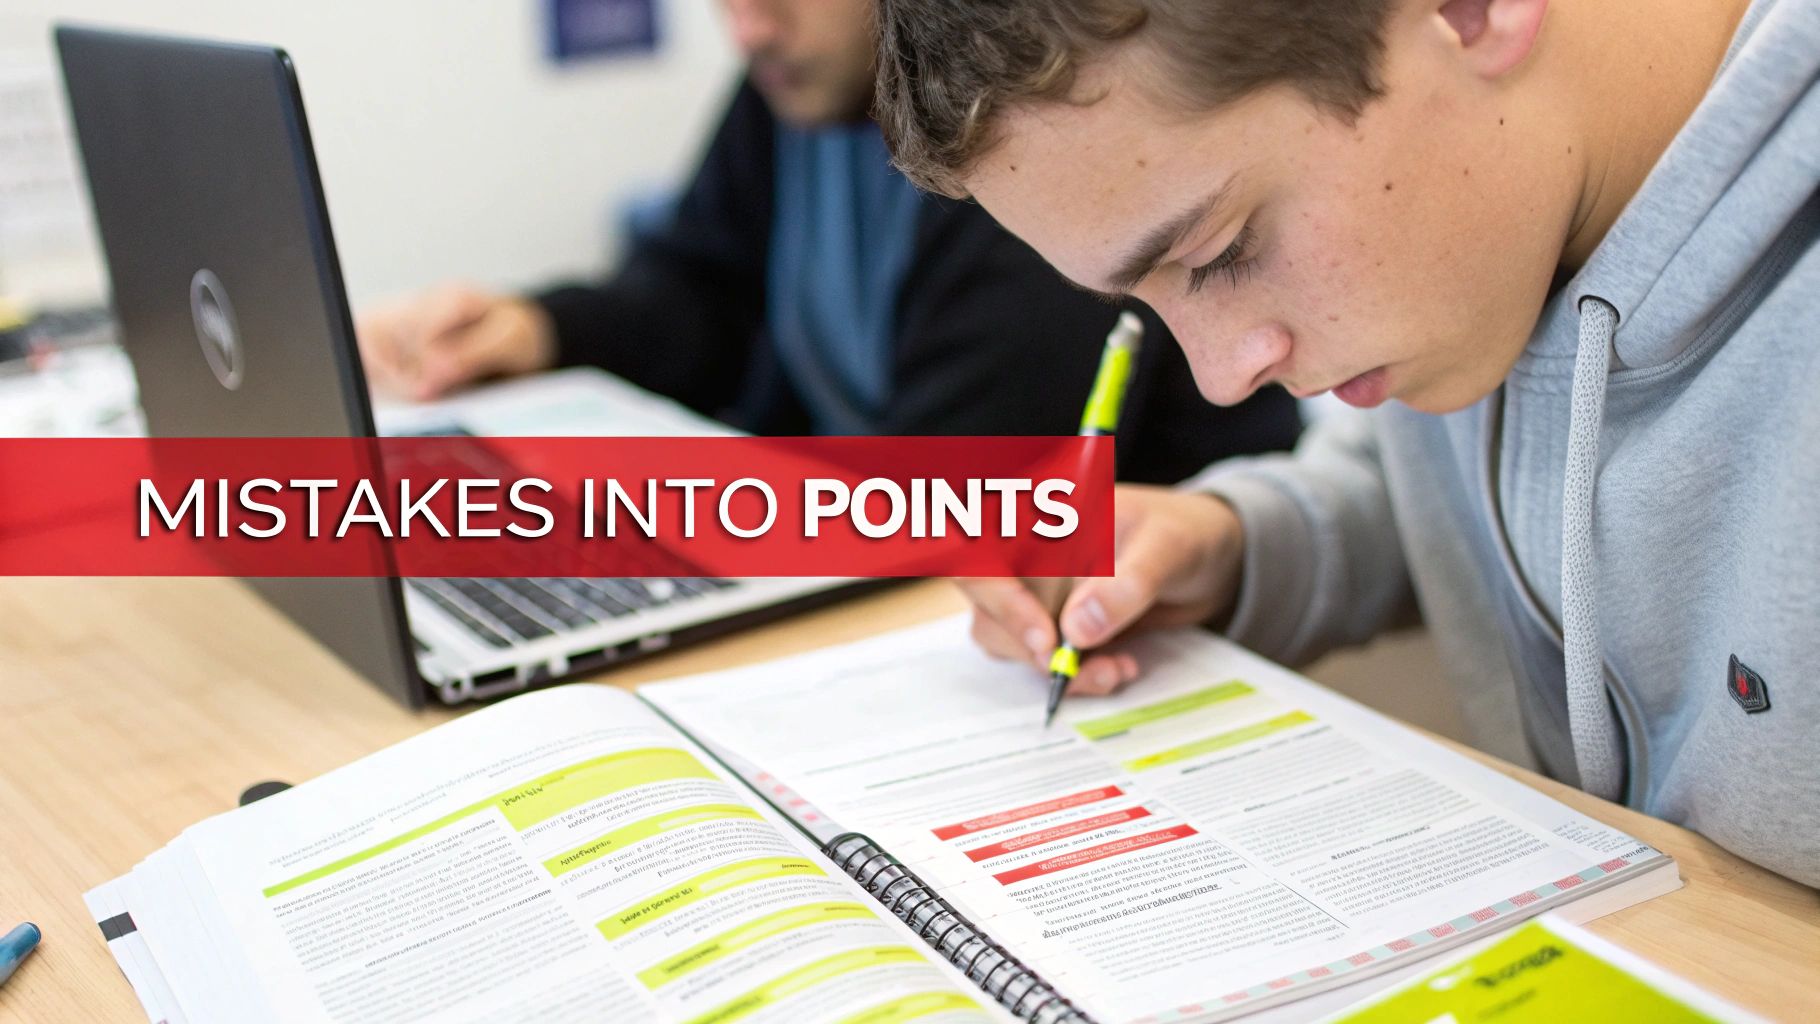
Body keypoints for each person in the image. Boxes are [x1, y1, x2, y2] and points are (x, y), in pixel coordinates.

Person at [872, 0, 1819, 886]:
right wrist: (1243, 543)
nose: (1220, 376)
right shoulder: (1492, 229)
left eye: (1221, 253)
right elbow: (1471, 479)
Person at [357, 0, 1301, 485]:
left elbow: (949, 490)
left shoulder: (1022, 145)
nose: (749, 28)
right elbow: (702, 293)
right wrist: (539, 330)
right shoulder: (794, 92)